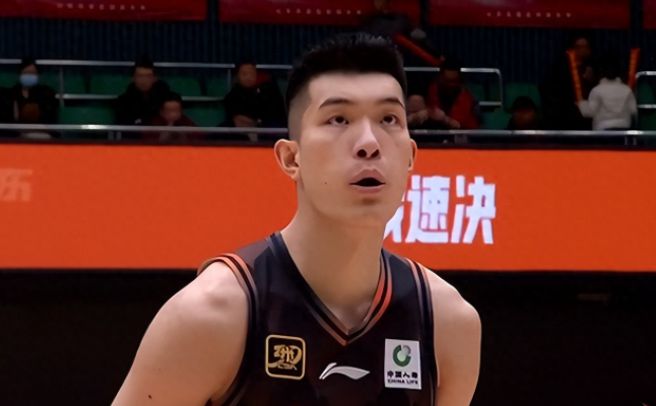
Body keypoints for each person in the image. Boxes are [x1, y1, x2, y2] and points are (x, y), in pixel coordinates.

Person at [113, 33, 481, 406]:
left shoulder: (449, 324)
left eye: (389, 118)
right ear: (291, 158)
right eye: (339, 119)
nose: (369, 143)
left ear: (411, 157)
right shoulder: (210, 315)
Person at [540, 33, 597, 130]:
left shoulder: (594, 65)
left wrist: (592, 80)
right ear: (572, 48)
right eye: (579, 47)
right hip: (564, 114)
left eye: (585, 47)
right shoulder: (561, 66)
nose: (582, 50)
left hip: (587, 116)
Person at [577, 57, 637, 131]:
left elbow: (590, 112)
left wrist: (581, 103)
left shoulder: (597, 90)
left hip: (603, 128)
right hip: (624, 127)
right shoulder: (627, 89)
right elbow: (633, 110)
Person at [223, 60, 286, 128]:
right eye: (244, 74)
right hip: (242, 130)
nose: (248, 77)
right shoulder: (232, 97)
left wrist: (258, 122)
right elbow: (237, 120)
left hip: (266, 129)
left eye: (252, 73)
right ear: (237, 76)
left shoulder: (268, 92)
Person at [426, 59, 481, 130]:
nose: (450, 85)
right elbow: (433, 111)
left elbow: (457, 124)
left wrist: (444, 119)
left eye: (452, 81)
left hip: (464, 132)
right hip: (438, 130)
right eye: (447, 81)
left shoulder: (465, 94)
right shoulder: (434, 88)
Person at [115, 57, 170, 126]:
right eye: (140, 76)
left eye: (148, 76)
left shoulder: (167, 100)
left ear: (155, 78)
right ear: (133, 78)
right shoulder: (123, 102)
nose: (144, 81)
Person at [1, 58, 58, 125]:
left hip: (40, 129)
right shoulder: (10, 94)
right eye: (26, 73)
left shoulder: (47, 93)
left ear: (38, 75)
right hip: (15, 130)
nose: (29, 76)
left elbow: (50, 118)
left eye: (32, 73)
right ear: (20, 75)